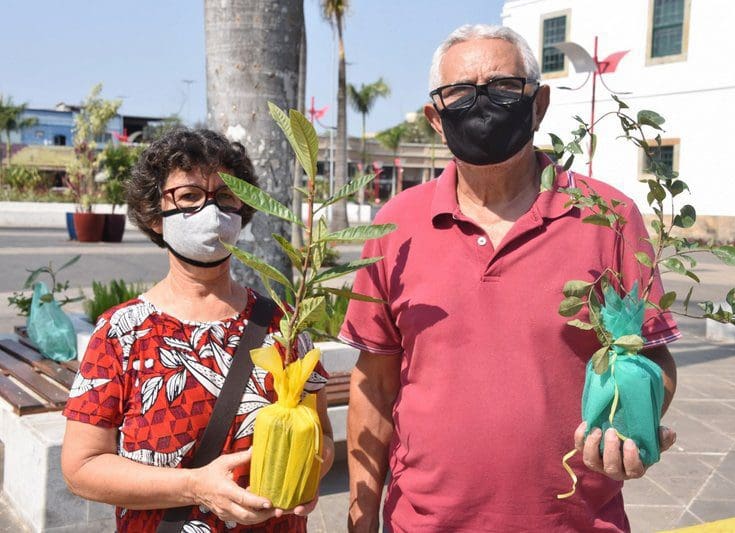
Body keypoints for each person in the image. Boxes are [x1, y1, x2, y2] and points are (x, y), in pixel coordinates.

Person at [340, 25, 680, 532]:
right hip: (423, 523)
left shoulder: (608, 216)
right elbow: (374, 384)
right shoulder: (395, 227)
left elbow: (652, 357)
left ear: (538, 104)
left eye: (502, 88)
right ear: (436, 117)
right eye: (459, 93)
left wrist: (630, 427)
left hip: (574, 522)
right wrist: (360, 517)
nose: (481, 105)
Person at [61, 128, 334, 533]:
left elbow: (323, 438)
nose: (212, 210)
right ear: (155, 217)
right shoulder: (122, 332)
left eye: (225, 196)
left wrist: (306, 474)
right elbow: (81, 466)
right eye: (189, 196)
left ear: (242, 211)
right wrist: (194, 487)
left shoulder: (284, 325)